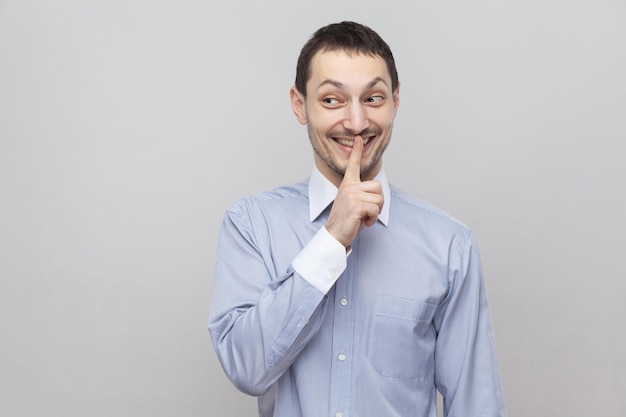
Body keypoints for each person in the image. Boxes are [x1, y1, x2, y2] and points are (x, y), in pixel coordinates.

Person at [208, 21, 507, 417]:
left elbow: (477, 404)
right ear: (300, 105)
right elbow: (246, 369)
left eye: (373, 98)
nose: (356, 122)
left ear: (395, 102)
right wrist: (332, 239)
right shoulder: (251, 225)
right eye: (332, 99)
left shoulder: (450, 245)